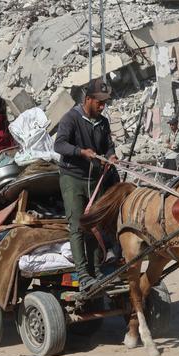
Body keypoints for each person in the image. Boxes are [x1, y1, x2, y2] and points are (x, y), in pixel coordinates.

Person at [54, 78, 118, 290]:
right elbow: (60, 144)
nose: (102, 106)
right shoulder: (70, 118)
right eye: (99, 102)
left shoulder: (103, 122)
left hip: (95, 179)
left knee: (96, 226)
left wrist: (112, 156)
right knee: (78, 226)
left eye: (104, 103)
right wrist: (80, 152)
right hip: (73, 178)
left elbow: (108, 146)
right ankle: (83, 275)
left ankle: (97, 271)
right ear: (88, 99)